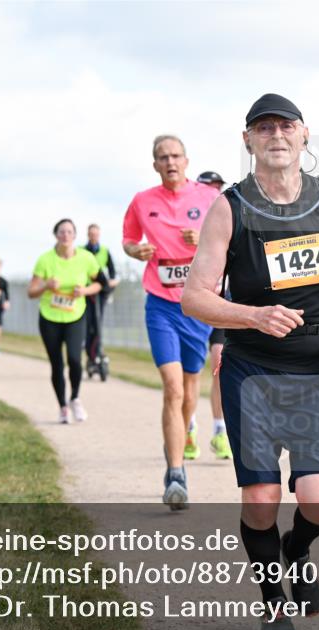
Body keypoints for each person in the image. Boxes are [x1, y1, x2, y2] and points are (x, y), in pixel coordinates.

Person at [182, 93, 319, 630]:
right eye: (263, 128)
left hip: (316, 369)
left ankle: (298, 550)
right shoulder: (229, 207)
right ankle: (271, 602)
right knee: (262, 498)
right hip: (253, 370)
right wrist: (253, 315)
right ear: (248, 141)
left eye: (285, 126)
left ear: (305, 135)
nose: (275, 135)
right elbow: (195, 297)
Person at [123, 133, 219, 508]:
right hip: (161, 304)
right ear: (155, 164)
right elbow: (129, 239)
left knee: (191, 390)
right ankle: (176, 473)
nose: (170, 162)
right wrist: (136, 250)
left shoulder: (209, 198)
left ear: (187, 160)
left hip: (197, 304)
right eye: (163, 157)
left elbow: (230, 241)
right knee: (173, 388)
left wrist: (204, 239)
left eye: (176, 155)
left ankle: (177, 446)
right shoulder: (142, 201)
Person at [28, 219, 102, 423]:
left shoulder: (86, 258)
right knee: (57, 364)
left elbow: (99, 284)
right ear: (56, 235)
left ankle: (75, 398)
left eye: (69, 232)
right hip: (49, 318)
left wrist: (84, 291)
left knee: (75, 359)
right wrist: (46, 285)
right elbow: (31, 292)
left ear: (75, 235)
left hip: (75, 316)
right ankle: (62, 406)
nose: (65, 235)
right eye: (61, 232)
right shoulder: (45, 260)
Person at [197, 169, 232, 459]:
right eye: (208, 186)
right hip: (190, 306)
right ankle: (188, 425)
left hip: (219, 303)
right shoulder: (185, 219)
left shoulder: (227, 217)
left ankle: (219, 430)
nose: (213, 191)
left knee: (218, 364)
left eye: (217, 187)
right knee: (188, 371)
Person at [84, 223, 119, 378]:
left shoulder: (105, 251)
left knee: (98, 323)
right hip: (86, 292)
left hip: (101, 292)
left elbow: (112, 273)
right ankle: (92, 356)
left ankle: (97, 353)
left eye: (96, 234)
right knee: (90, 325)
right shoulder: (81, 251)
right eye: (91, 234)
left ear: (99, 235)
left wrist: (111, 283)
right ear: (88, 235)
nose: (94, 237)